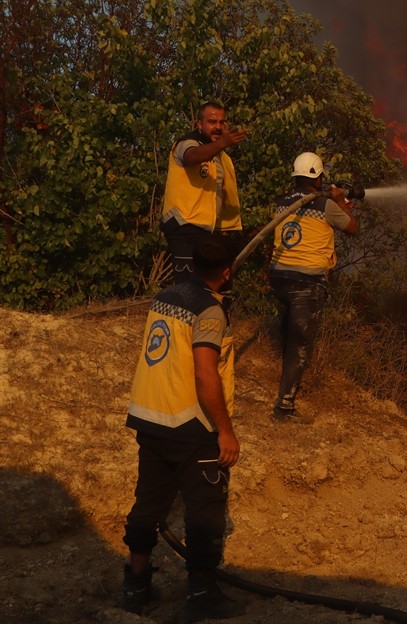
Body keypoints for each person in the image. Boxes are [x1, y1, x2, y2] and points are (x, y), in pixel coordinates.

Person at [120, 233, 245, 621]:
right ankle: (203, 593)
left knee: (147, 506)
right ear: (226, 272)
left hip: (150, 416)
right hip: (189, 423)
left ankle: (136, 587)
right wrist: (224, 430)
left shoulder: (165, 296)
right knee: (205, 511)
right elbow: (205, 372)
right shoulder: (209, 311)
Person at [267, 151, 358, 422]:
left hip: (279, 278)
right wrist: (341, 201)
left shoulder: (282, 202)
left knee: (289, 335)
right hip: (306, 283)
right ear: (318, 179)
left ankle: (284, 382)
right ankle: (284, 409)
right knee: (299, 345)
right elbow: (352, 228)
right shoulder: (325, 205)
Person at [160, 101, 248, 282]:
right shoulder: (186, 143)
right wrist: (223, 142)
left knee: (209, 285)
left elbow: (220, 196)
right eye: (212, 122)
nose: (218, 127)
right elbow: (191, 156)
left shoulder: (222, 156)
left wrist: (225, 230)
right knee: (188, 286)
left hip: (208, 230)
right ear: (199, 124)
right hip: (184, 225)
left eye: (222, 122)